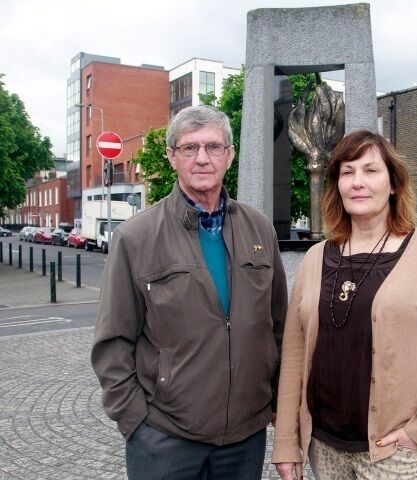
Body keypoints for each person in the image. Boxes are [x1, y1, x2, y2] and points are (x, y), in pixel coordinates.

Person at [91, 105, 287, 480]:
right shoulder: (135, 237)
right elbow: (112, 341)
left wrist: (276, 399)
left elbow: (278, 325)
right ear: (171, 157)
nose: (202, 158)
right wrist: (136, 420)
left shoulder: (260, 230)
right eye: (189, 148)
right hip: (165, 439)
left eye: (213, 147)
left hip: (244, 439)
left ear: (229, 156)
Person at [272, 130, 417, 480]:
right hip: (324, 447)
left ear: (393, 183)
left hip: (393, 453)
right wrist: (287, 442)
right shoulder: (316, 258)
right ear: (336, 185)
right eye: (347, 172)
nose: (357, 182)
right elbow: (294, 354)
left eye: (370, 170)